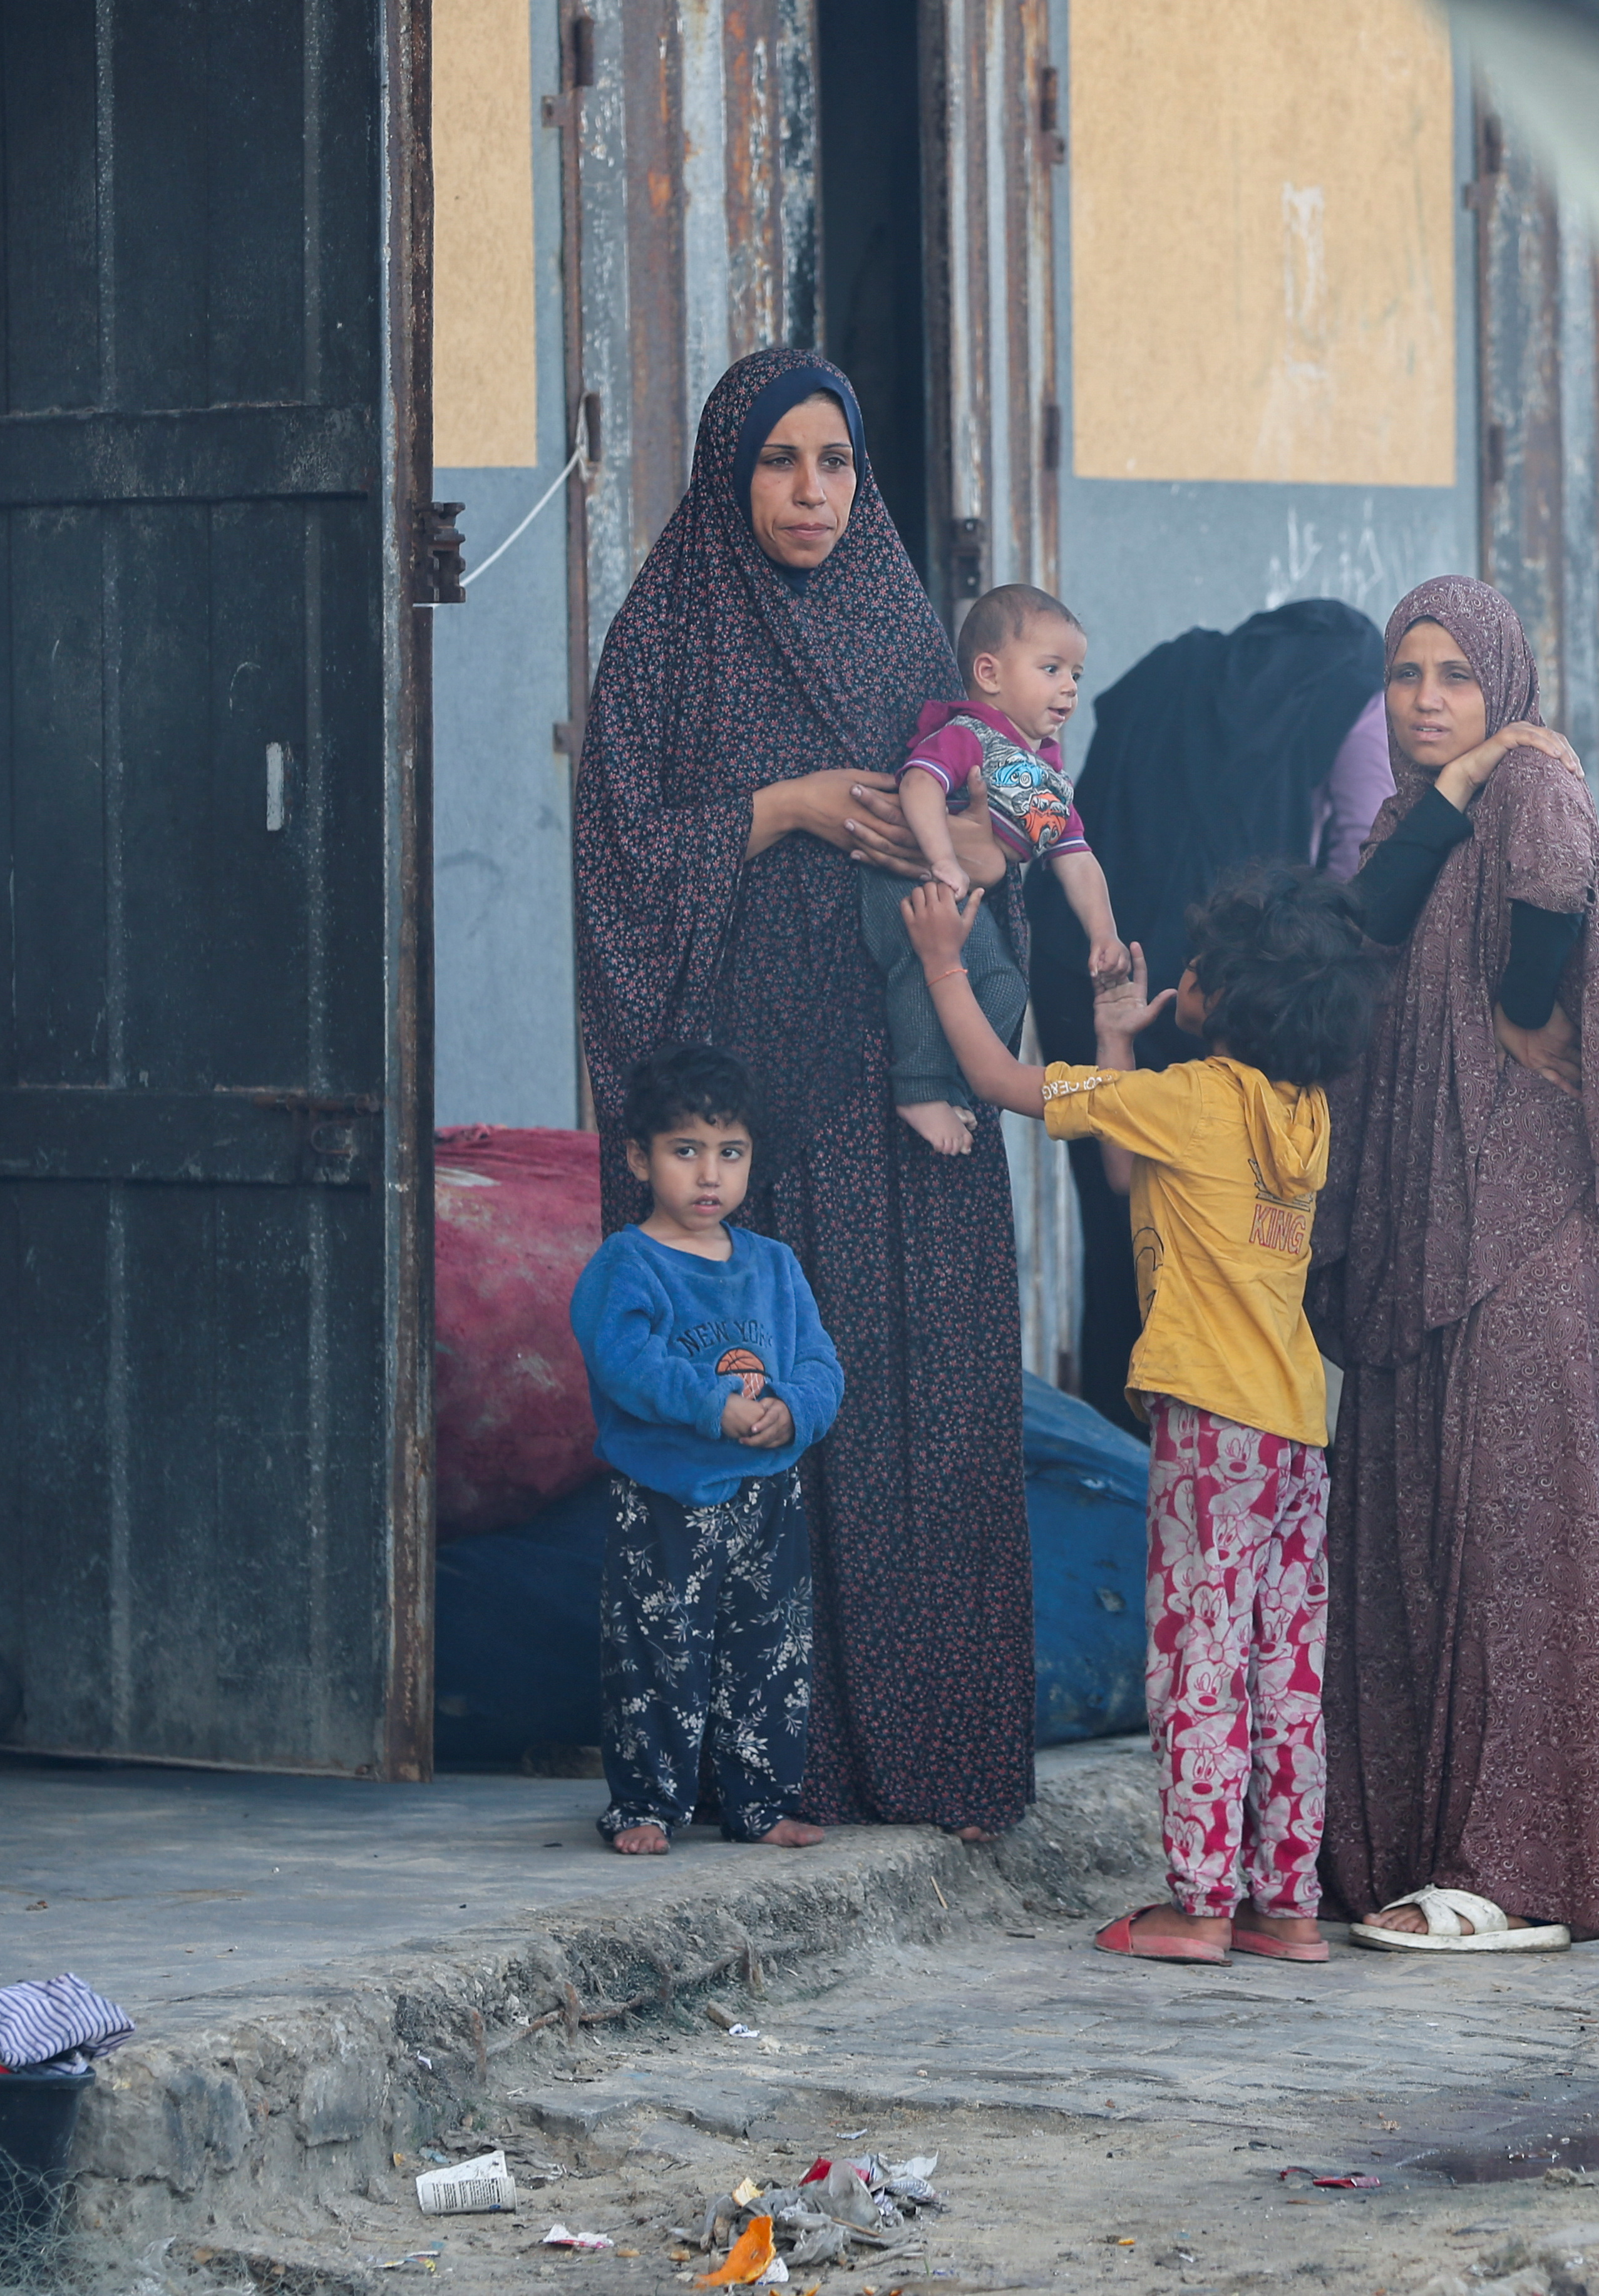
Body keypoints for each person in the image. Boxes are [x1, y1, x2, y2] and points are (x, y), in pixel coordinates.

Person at [573, 347, 1033, 1843]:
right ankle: (756, 1769)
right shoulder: (669, 634)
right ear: (729, 472)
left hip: (896, 1097)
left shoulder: (906, 621)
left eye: (834, 461)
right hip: (749, 1117)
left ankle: (932, 1750)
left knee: (914, 1393)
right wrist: (771, 811)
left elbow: (995, 805)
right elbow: (617, 854)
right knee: (743, 1398)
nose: (812, 492)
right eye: (779, 461)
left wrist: (974, 841)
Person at [902, 857, 1430, 1966]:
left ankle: (1197, 1902)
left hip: (1211, 1429)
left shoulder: (1195, 1100)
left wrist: (945, 967)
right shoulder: (1303, 1113)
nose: (1177, 972)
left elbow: (1003, 1077)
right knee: (1285, 1668)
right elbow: (1130, 1176)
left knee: (1198, 1655)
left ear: (1227, 996)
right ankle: (1283, 1903)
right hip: (1294, 1428)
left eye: (1199, 966)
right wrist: (1117, 1029)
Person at [1315, 574, 1599, 1954]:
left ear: (1505, 685)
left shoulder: (1538, 799)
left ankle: (1508, 1872)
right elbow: (1361, 931)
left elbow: (1533, 992)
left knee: (1512, 1546)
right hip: (1429, 1238)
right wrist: (1463, 771)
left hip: (1528, 1238)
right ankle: (1407, 1851)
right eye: (1405, 676)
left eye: (1455, 679)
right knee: (1413, 1532)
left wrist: (1488, 778)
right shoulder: (1439, 805)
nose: (1423, 701)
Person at [1019, 599, 1389, 1433]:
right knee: (1232, 1242)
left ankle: (1121, 1449)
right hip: (1243, 1005)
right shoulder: (1353, 699)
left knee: (1124, 1233)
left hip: (1099, 966)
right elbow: (1358, 884)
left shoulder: (1178, 673)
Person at [570, 1043, 845, 1856]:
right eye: (684, 1150)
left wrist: (792, 1411)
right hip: (667, 1495)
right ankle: (645, 1804)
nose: (708, 1175)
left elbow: (822, 1365)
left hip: (769, 1496)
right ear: (639, 1157)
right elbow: (625, 1364)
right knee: (659, 1651)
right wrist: (715, 1407)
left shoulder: (774, 1264)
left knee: (772, 1652)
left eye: (730, 1152)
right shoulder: (628, 1264)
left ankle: (760, 1803)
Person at [867, 584, 1124, 1157]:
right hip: (906, 883)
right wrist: (940, 859)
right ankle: (920, 1088)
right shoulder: (968, 734)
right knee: (922, 965)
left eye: (1076, 674)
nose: (1069, 688)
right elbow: (919, 784)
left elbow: (1077, 858)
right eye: (1052, 668)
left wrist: (1103, 933)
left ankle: (957, 1083)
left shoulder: (1046, 775)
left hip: (959, 894)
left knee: (1005, 985)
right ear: (989, 672)